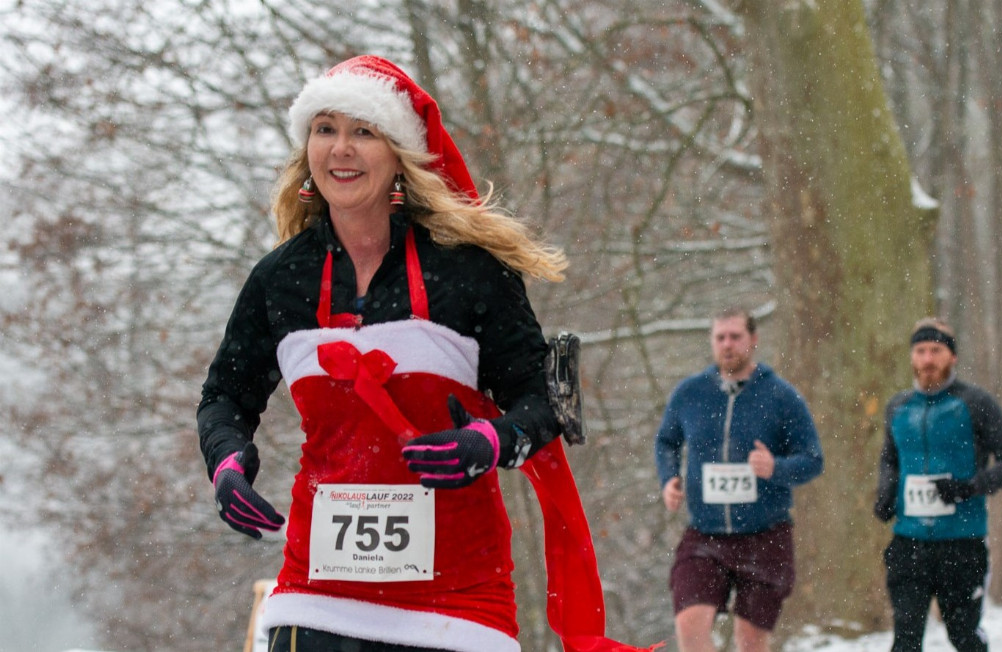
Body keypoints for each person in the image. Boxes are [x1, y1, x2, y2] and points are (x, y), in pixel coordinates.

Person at [198, 55, 649, 652]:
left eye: (364, 131)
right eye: (325, 129)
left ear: (400, 156)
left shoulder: (467, 270)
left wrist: (490, 442)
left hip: (458, 600)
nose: (341, 149)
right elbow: (225, 397)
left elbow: (543, 402)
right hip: (317, 591)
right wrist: (227, 464)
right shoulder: (281, 280)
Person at [654, 307, 824, 652]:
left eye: (735, 337)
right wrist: (669, 478)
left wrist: (775, 467)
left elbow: (813, 460)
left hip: (766, 536)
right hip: (705, 534)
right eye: (720, 337)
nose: (727, 345)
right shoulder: (690, 393)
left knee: (750, 642)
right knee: (689, 626)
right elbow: (666, 441)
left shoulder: (781, 396)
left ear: (754, 340)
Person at [872, 318, 1002, 652]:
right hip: (908, 542)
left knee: (964, 637)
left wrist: (970, 486)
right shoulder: (898, 406)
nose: (927, 359)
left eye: (936, 351)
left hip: (961, 543)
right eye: (921, 350)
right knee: (905, 640)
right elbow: (890, 458)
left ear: (952, 357)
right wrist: (885, 493)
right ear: (912, 357)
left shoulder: (975, 403)